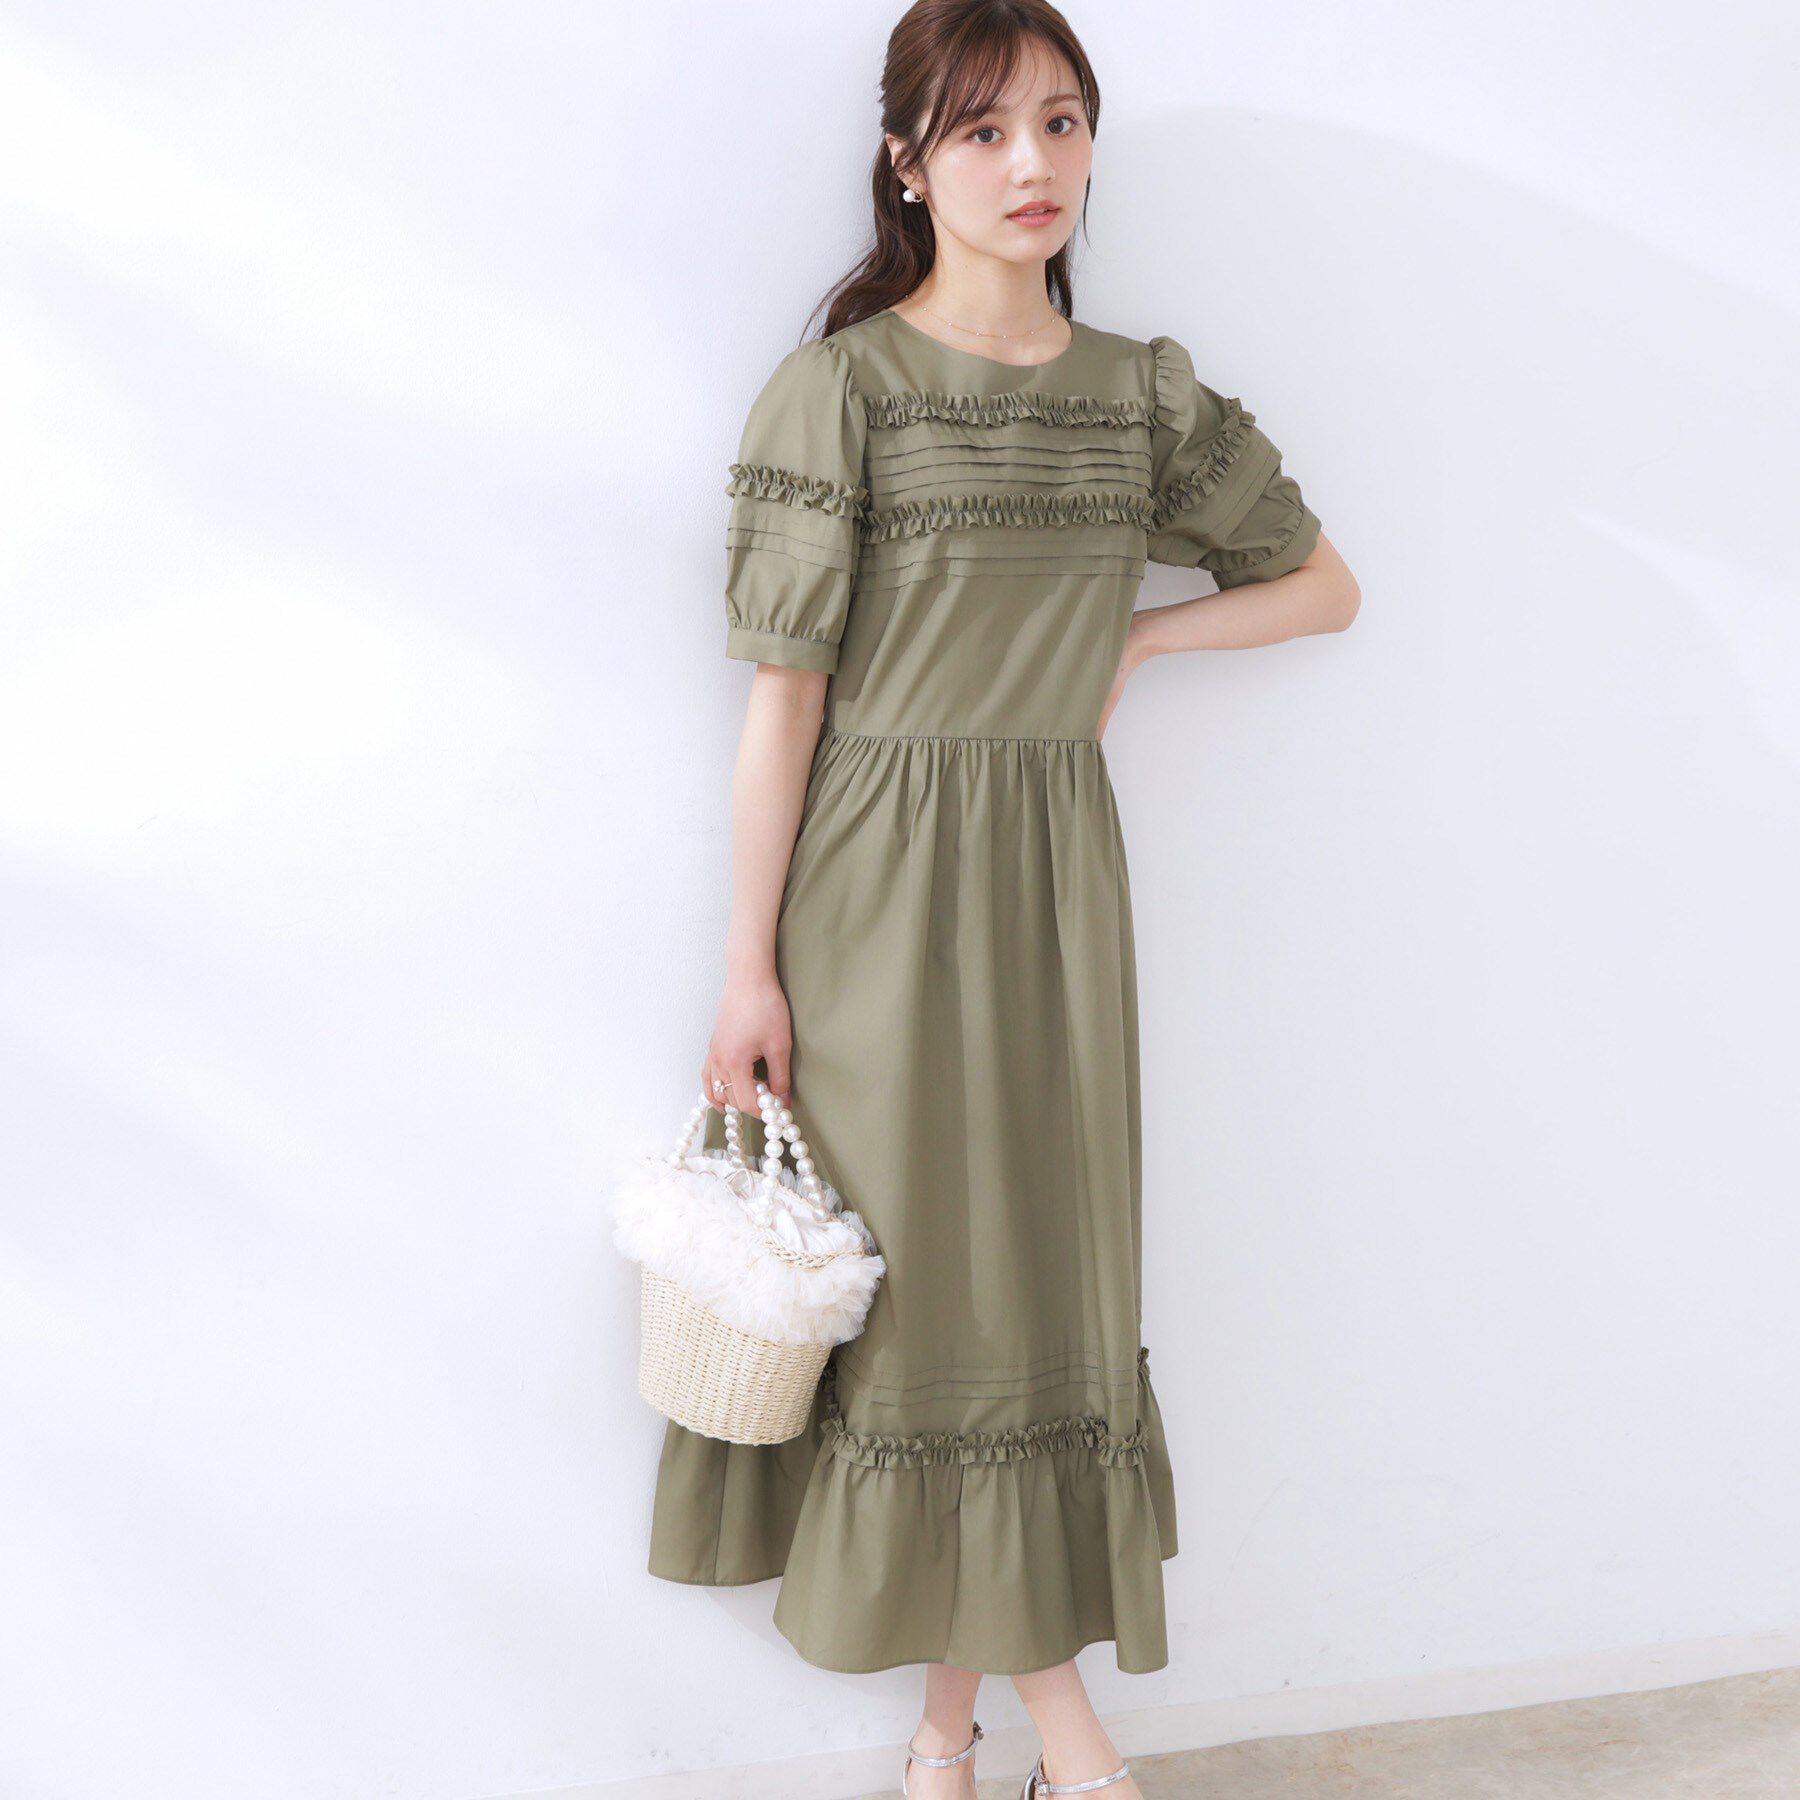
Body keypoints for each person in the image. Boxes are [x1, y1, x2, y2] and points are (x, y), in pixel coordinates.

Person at [647, 3, 1361, 1794]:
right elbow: (782, 706)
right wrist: (747, 968)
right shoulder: (844, 393)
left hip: (1056, 883)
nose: (1031, 164)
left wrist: (1138, 639)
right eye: (981, 131)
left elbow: (1321, 585)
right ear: (907, 163)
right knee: (938, 1313)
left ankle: (942, 1744)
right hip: (875, 895)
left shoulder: (1140, 396)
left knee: (1034, 1298)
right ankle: (1081, 1749)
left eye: (1060, 121)